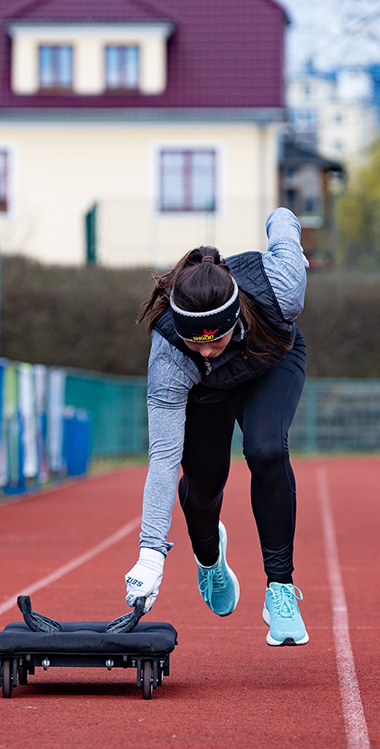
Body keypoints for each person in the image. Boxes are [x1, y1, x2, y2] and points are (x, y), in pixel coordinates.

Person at [123, 208, 309, 646]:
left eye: (216, 341)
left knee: (265, 450)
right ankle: (209, 559)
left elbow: (283, 218)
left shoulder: (280, 287)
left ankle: (280, 589)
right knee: (205, 483)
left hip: (270, 365)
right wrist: (150, 553)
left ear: (233, 320)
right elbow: (164, 458)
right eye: (195, 343)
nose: (206, 352)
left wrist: (284, 225)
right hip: (204, 392)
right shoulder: (170, 354)